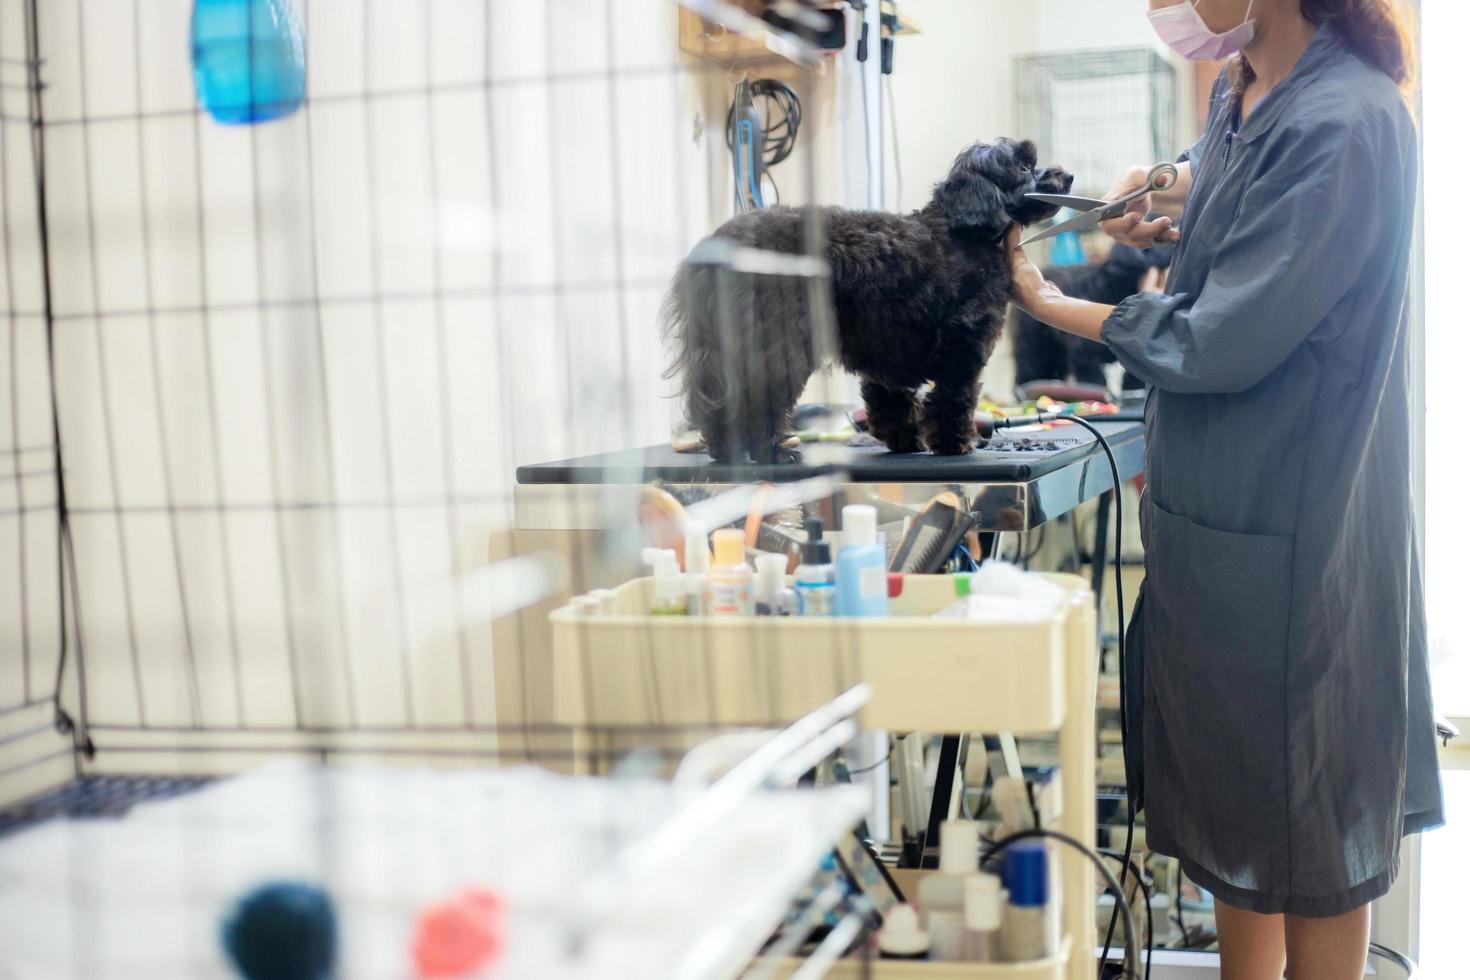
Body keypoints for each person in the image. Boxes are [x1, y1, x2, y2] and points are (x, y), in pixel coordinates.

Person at [1004, 2, 1445, 978]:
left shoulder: (1355, 120)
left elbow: (1217, 336)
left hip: (1303, 525)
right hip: (1218, 527)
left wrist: (1047, 301)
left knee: (1318, 831)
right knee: (1238, 817)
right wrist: (1166, 188)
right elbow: (1237, 174)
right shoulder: (1241, 87)